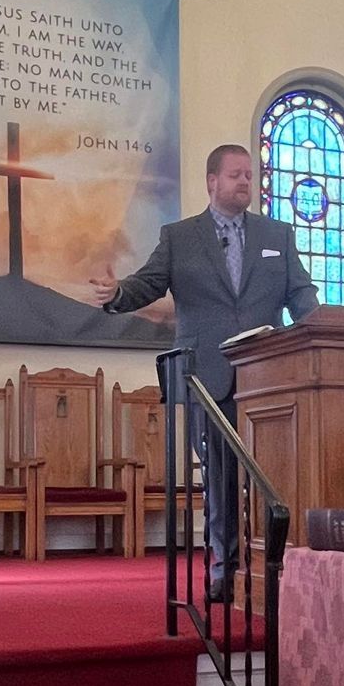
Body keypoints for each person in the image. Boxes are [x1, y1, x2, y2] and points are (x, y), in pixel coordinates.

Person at [92, 143, 319, 601]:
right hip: (209, 377)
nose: (245, 182)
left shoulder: (277, 234)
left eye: (249, 175)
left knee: (273, 477)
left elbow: (301, 294)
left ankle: (273, 567)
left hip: (267, 378)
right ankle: (224, 568)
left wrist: (322, 328)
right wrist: (117, 293)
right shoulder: (180, 237)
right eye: (235, 174)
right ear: (212, 181)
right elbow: (148, 283)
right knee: (220, 478)